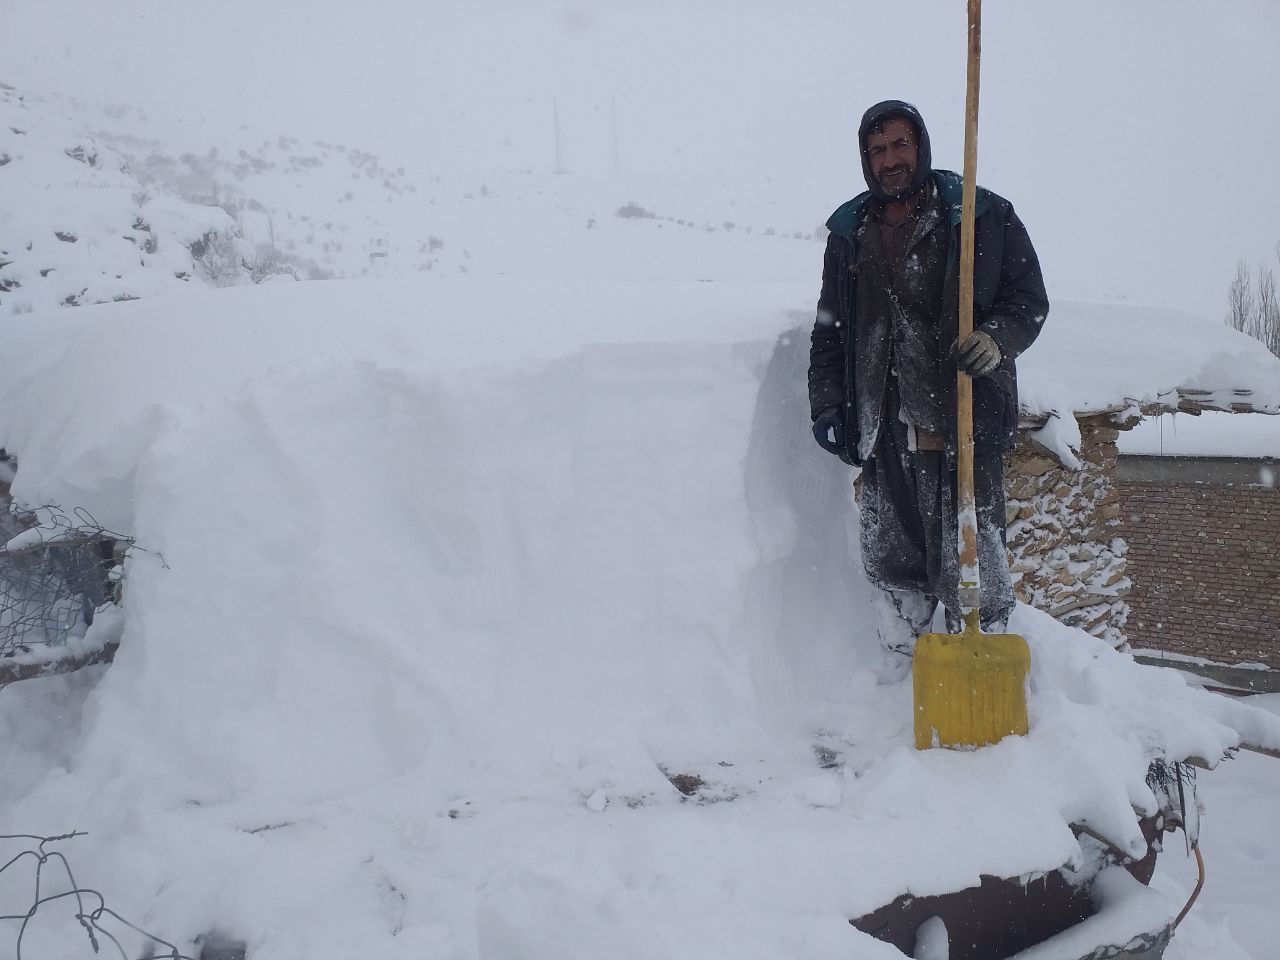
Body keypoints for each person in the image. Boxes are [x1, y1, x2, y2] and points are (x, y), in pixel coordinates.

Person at [807, 99, 1048, 681]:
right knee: (892, 548)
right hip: (883, 420)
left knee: (972, 545)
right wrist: (828, 404)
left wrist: (995, 339)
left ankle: (981, 657)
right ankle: (898, 670)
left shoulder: (979, 216)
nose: (890, 159)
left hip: (959, 414)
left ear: (922, 147)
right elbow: (829, 330)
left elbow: (1028, 301)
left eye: (899, 144)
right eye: (877, 149)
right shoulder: (849, 233)